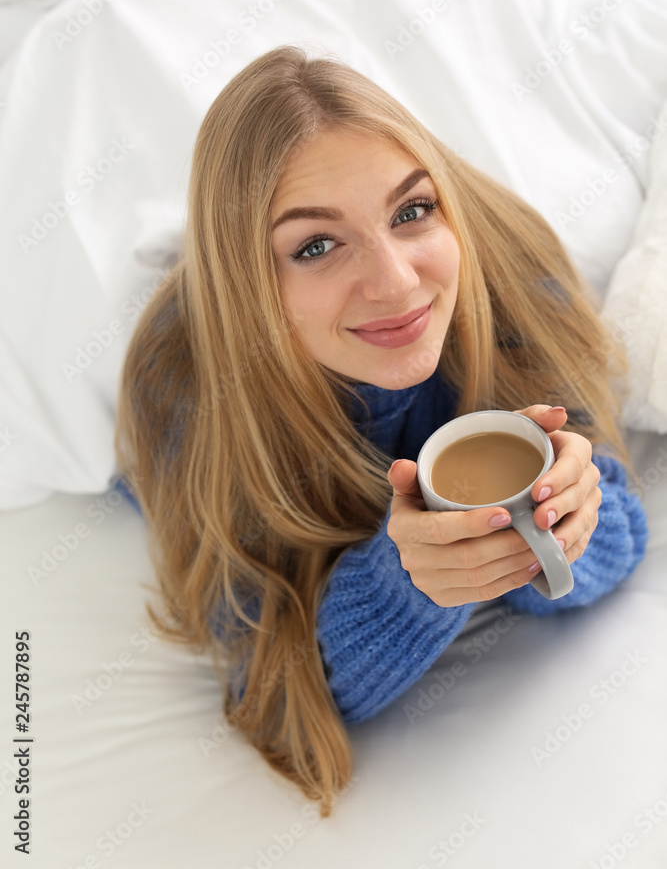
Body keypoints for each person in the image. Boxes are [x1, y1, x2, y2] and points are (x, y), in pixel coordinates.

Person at [113, 44, 649, 818]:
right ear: (249, 282)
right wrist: (408, 590)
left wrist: (568, 525)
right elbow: (271, 691)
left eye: (410, 211)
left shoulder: (507, 266)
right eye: (315, 246)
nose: (397, 283)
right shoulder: (184, 381)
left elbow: (619, 528)